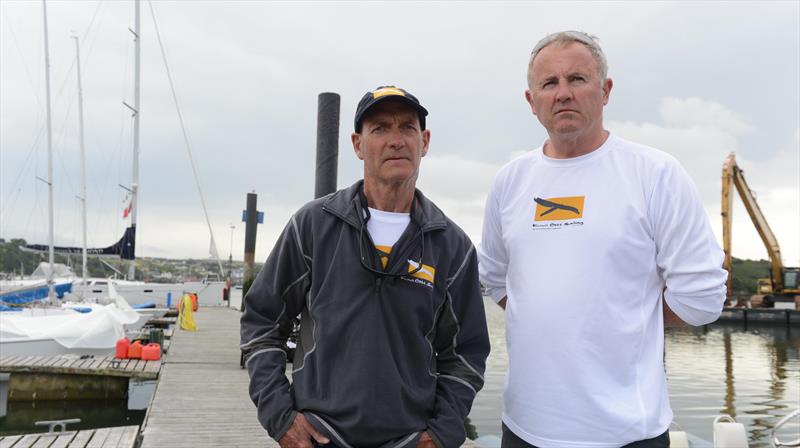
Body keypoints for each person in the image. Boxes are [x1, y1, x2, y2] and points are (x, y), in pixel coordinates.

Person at [478, 31, 727, 447]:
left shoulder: (655, 174)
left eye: (577, 79)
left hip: (627, 433)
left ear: (606, 90)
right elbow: (497, 280)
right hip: (524, 428)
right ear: (531, 100)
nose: (563, 94)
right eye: (549, 84)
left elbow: (702, 299)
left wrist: (626, 317)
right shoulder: (510, 182)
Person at [241, 85, 490, 448]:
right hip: (319, 437)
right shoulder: (313, 226)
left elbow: (466, 355)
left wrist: (442, 433)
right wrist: (281, 418)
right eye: (380, 128)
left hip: (409, 439)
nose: (396, 140)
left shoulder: (452, 246)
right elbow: (261, 322)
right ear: (358, 144)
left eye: (407, 127)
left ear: (425, 141)